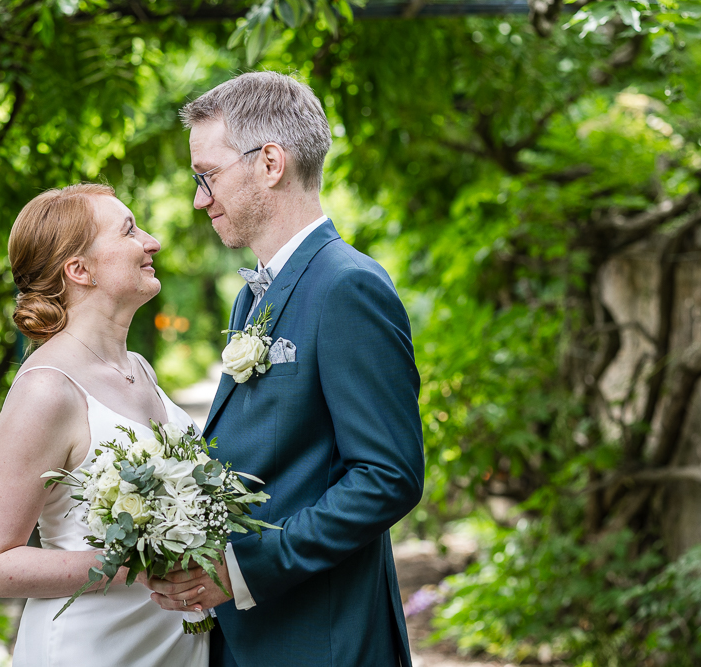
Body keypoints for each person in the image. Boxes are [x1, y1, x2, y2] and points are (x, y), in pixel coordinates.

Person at [145, 72, 425, 666]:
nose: (200, 199)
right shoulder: (253, 295)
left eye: (207, 175)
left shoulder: (349, 287)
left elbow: (387, 476)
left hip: (324, 638)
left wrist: (244, 570)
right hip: (255, 636)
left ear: (270, 163)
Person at [0, 184, 208, 666]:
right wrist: (139, 562)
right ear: (80, 270)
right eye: (130, 230)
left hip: (169, 647)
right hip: (92, 649)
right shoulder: (46, 389)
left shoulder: (139, 366)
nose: (152, 241)